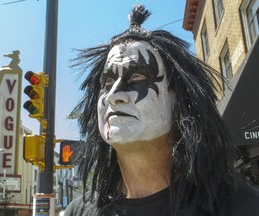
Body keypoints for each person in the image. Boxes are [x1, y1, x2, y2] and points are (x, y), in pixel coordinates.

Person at [63, 5, 259, 216]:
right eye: (108, 81)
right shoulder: (79, 211)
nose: (114, 94)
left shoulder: (241, 206)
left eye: (137, 77)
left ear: (178, 102)